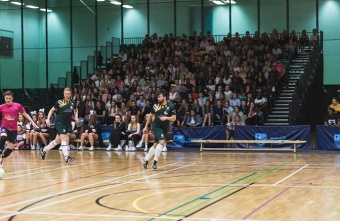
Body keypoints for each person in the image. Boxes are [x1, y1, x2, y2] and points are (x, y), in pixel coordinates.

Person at [40, 87, 78, 164]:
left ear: (71, 94)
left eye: (68, 94)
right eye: (65, 94)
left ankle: (44, 150)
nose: (67, 95)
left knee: (57, 141)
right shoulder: (59, 102)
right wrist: (47, 119)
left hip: (67, 124)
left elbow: (75, 110)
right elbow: (51, 110)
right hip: (60, 123)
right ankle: (67, 157)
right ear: (63, 94)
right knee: (65, 139)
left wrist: (76, 118)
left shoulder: (73, 103)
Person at [0, 90, 38, 167]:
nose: (7, 100)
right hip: (5, 127)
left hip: (13, 130)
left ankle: (2, 157)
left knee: (9, 150)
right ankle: (0, 153)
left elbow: (25, 114)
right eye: (6, 98)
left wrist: (33, 122)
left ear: (12, 98)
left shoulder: (17, 106)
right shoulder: (1, 107)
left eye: (9, 98)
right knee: (3, 137)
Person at [142, 90, 176, 170]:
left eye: (159, 97)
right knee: (162, 142)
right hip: (156, 126)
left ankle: (146, 160)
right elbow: (150, 116)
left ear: (164, 97)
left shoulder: (171, 106)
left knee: (155, 144)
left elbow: (174, 118)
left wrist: (166, 118)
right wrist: (145, 126)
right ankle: (155, 162)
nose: (158, 98)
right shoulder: (155, 106)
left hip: (165, 127)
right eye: (157, 97)